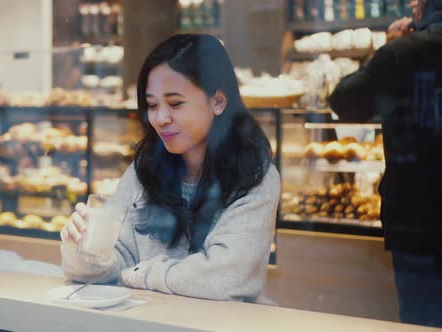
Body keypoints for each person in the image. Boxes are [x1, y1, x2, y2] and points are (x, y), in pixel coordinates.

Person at [60, 34, 280, 303]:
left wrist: (139, 275)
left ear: (218, 102)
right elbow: (115, 263)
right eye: (152, 105)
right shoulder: (144, 170)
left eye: (175, 103)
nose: (161, 118)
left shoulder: (256, 177)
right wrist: (83, 249)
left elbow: (226, 277)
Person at [328, 0, 442, 326]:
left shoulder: (398, 54)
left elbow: (344, 103)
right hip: (415, 221)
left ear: (421, 9)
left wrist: (388, 49)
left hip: (415, 222)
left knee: (421, 320)